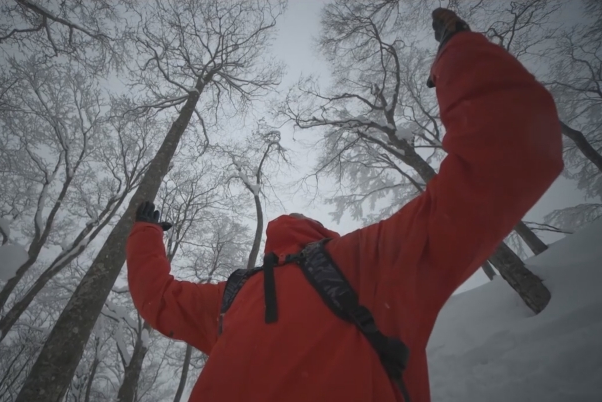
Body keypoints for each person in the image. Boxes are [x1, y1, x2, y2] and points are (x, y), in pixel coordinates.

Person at [126, 8, 563, 402]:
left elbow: (157, 300)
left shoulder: (237, 295)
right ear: (318, 231)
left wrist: (145, 236)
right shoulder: (368, 261)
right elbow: (506, 154)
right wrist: (459, 52)